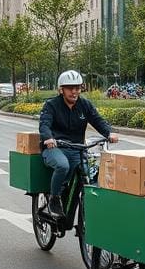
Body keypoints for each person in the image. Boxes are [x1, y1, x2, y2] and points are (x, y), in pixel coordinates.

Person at [39, 69, 119, 218]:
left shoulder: (84, 104)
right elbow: (44, 124)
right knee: (63, 166)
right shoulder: (51, 105)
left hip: (77, 148)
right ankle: (54, 199)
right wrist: (48, 138)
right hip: (55, 147)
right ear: (61, 89)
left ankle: (84, 209)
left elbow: (97, 120)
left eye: (77, 88)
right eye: (70, 88)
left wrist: (109, 133)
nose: (74, 92)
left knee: (88, 176)